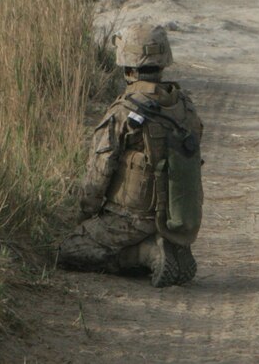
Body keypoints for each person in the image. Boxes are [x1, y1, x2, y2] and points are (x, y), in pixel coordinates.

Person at [58, 24, 204, 287]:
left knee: (70, 249)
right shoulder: (185, 108)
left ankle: (145, 252)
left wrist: (85, 215)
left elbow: (99, 173)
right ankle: (162, 244)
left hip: (130, 218)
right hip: (174, 217)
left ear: (127, 66)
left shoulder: (124, 111)